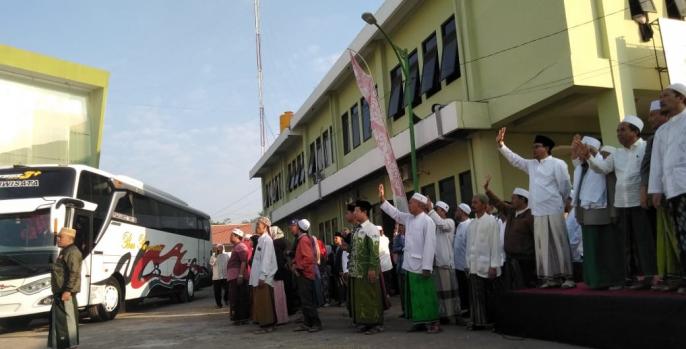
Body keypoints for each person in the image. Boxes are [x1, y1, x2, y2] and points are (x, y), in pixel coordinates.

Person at [496, 128, 575, 288]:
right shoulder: (531, 165)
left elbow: (565, 186)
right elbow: (515, 160)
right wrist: (501, 145)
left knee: (559, 243)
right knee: (543, 245)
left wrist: (558, 201)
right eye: (533, 147)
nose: (534, 150)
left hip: (553, 208)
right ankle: (550, 277)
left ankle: (567, 277)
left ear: (546, 148)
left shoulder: (558, 164)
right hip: (538, 211)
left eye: (537, 146)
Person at [585, 115, 657, 289]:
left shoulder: (647, 147)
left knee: (644, 241)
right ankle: (631, 278)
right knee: (625, 243)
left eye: (623, 130)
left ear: (635, 131)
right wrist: (588, 157)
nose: (618, 133)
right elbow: (601, 169)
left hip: (641, 202)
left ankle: (650, 276)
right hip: (621, 204)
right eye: (617, 130)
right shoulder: (616, 153)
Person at [379, 184, 440, 334]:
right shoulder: (410, 218)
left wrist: (427, 266)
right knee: (415, 297)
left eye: (411, 203)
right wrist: (382, 199)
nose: (409, 205)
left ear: (419, 205)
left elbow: (429, 246)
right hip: (410, 265)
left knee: (426, 296)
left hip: (422, 266)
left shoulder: (428, 221)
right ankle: (419, 322)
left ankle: (433, 323)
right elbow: (396, 214)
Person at [570, 135, 624, 290]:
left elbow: (610, 186)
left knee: (605, 249)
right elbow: (576, 163)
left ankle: (610, 280)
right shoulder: (582, 168)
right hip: (586, 212)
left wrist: (613, 211)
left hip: (602, 212)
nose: (580, 154)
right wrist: (575, 148)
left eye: (583, 150)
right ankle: (594, 281)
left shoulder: (602, 163)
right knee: (591, 249)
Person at [649, 82, 686, 293]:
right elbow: (657, 163)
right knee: (680, 234)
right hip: (672, 189)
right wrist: (656, 190)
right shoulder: (663, 131)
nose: (661, 99)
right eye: (660, 95)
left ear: (680, 97)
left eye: (666, 95)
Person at [642, 99, 679, 291]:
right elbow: (650, 166)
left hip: (677, 188)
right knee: (665, 235)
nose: (650, 119)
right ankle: (671, 276)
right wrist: (651, 190)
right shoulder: (656, 137)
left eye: (653, 114)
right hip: (663, 191)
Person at [483, 178, 536, 290]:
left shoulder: (530, 216)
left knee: (527, 289)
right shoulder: (512, 212)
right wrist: (487, 191)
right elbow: (499, 203)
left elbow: (536, 238)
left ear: (523, 200)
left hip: (526, 261)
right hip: (511, 259)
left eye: (514, 198)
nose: (511, 200)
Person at [465, 194, 502, 330]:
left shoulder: (491, 221)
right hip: (473, 266)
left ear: (484, 205)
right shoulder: (472, 224)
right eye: (472, 202)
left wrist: (494, 266)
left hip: (487, 265)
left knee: (488, 296)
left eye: (476, 202)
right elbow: (469, 246)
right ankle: (478, 322)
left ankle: (492, 322)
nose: (473, 204)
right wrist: (467, 264)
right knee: (475, 296)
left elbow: (495, 245)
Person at [348, 200, 385, 335]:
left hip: (368, 269)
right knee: (362, 297)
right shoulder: (358, 229)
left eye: (357, 211)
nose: (355, 213)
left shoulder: (371, 228)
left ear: (364, 212)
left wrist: (372, 268)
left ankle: (376, 323)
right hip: (358, 271)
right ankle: (366, 322)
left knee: (372, 295)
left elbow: (374, 251)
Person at [426, 199, 461, 324]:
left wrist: (430, 210)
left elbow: (442, 225)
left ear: (443, 211)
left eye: (437, 210)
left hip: (446, 263)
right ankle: (443, 315)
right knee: (440, 291)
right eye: (434, 209)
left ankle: (452, 316)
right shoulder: (434, 224)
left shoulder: (449, 222)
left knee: (448, 291)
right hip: (436, 264)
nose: (435, 211)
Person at [48, 227, 82, 349]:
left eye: (60, 237)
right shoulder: (64, 251)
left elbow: (74, 273)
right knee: (59, 322)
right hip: (59, 292)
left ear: (70, 238)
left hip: (66, 293)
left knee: (68, 321)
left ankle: (71, 345)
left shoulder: (72, 252)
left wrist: (68, 290)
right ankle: (61, 345)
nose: (58, 239)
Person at [291, 219, 323, 332]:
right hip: (303, 273)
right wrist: (295, 262)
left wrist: (297, 266)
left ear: (299, 228)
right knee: (304, 301)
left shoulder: (303, 240)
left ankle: (316, 324)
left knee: (308, 301)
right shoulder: (302, 239)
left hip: (305, 274)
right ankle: (307, 323)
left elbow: (308, 258)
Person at [249, 217, 278, 334]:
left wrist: (262, 276)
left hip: (264, 278)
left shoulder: (267, 240)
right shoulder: (261, 239)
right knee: (261, 302)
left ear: (265, 226)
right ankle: (265, 324)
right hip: (259, 277)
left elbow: (266, 260)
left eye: (258, 225)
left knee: (265, 303)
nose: (257, 227)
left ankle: (268, 326)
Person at [227, 228, 251, 325]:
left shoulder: (241, 246)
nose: (230, 236)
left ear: (237, 236)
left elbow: (243, 261)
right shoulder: (236, 247)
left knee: (239, 297)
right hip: (234, 276)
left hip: (238, 276)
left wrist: (240, 275)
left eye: (232, 235)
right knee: (235, 297)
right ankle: (238, 318)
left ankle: (242, 318)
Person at [453, 203, 472, 315]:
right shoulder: (459, 225)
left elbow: (469, 247)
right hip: (458, 265)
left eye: (457, 210)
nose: (455, 213)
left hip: (466, 266)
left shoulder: (469, 225)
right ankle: (467, 310)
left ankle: (471, 310)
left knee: (468, 290)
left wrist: (468, 265)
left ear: (463, 212)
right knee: (463, 290)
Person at [270, 226, 290, 324]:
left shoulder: (275, 243)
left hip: (278, 271)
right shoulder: (285, 240)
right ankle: (285, 314)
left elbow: (277, 259)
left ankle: (281, 316)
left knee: (279, 295)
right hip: (286, 270)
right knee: (286, 292)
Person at [391, 224, 406, 317]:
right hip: (401, 266)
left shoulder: (411, 236)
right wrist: (402, 249)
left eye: (402, 226)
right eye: (400, 226)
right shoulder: (397, 238)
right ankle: (404, 310)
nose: (401, 228)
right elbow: (394, 249)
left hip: (410, 267)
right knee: (402, 290)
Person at [378, 226, 394, 298]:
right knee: (384, 280)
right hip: (382, 264)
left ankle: (387, 292)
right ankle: (386, 293)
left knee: (386, 279)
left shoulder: (385, 239)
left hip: (386, 263)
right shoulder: (384, 238)